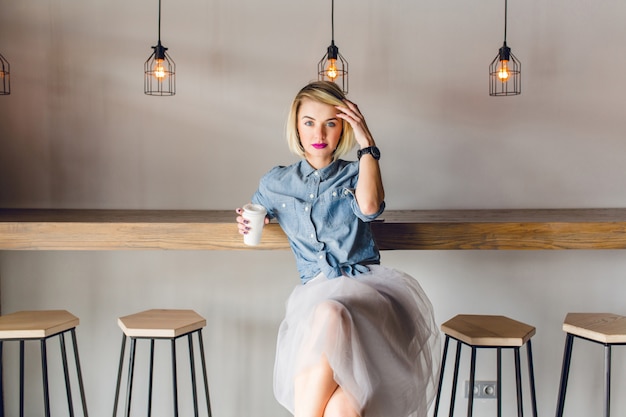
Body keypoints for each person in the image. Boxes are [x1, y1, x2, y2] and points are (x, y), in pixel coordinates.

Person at [236, 81, 440, 417]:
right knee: (342, 408)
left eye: (331, 122)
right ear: (296, 126)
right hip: (315, 295)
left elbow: (371, 207)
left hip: (366, 294)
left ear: (343, 126)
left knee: (331, 312)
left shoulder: (356, 172)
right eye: (309, 122)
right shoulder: (276, 182)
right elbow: (255, 207)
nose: (319, 132)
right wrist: (246, 217)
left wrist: (367, 142)